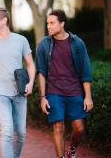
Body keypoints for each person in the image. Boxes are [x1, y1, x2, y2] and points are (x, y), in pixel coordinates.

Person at [35, 10, 94, 158]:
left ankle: (72, 150)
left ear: (62, 24)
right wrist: (42, 97)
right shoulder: (43, 44)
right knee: (58, 126)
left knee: (79, 128)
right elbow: (41, 72)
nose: (48, 26)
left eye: (52, 23)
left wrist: (88, 96)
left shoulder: (77, 43)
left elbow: (85, 71)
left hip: (75, 90)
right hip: (54, 91)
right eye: (47, 23)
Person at [0, 7, 35, 158]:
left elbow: (30, 64)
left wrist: (30, 83)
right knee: (6, 130)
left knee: (21, 133)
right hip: (0, 94)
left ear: (4, 20)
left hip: (20, 92)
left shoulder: (21, 40)